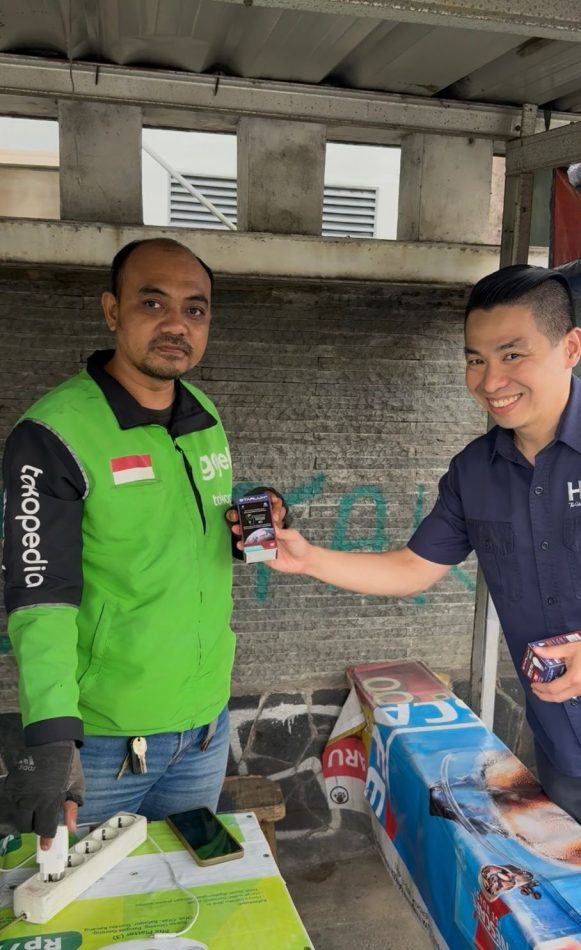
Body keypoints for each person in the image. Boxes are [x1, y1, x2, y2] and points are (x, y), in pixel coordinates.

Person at [240, 265, 581, 823]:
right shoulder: (475, 471)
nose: (490, 381)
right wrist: (308, 559)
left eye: (513, 355)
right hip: (563, 747)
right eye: (476, 359)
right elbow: (413, 568)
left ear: (570, 348)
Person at [1, 237, 286, 844]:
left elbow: (181, 536)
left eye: (194, 309)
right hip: (101, 747)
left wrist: (246, 530)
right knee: (87, 897)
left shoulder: (202, 413)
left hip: (204, 730)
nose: (176, 325)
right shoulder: (54, 434)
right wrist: (51, 738)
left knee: (184, 891)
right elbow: (39, 595)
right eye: (153, 304)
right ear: (112, 310)